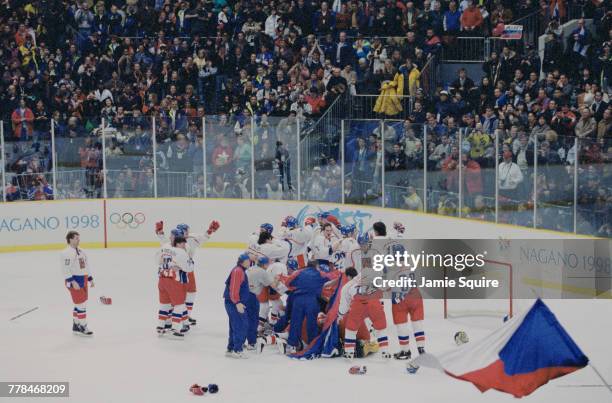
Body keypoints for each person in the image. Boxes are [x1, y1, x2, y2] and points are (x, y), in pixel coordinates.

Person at [156, 236, 191, 339]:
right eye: (183, 244)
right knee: (179, 305)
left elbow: (157, 261)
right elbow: (189, 268)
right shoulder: (181, 252)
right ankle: (175, 329)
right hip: (174, 280)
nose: (185, 246)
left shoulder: (163, 248)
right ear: (179, 244)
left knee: (164, 304)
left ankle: (160, 327)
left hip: (162, 279)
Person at [61, 231, 94, 336]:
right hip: (74, 280)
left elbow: (85, 266)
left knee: (78, 304)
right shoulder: (66, 253)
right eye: (76, 238)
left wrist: (90, 278)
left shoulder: (82, 251)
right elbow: (65, 269)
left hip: (82, 280)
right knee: (81, 304)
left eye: (79, 238)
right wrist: (72, 281)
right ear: (70, 239)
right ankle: (83, 326)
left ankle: (76, 324)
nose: (78, 240)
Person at [224, 254, 252, 358]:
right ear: (242, 262)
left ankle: (231, 348)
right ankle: (237, 349)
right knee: (241, 325)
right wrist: (237, 303)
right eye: (248, 261)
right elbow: (234, 288)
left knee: (235, 326)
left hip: (235, 303)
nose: (250, 262)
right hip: (234, 303)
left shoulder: (241, 270)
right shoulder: (238, 271)